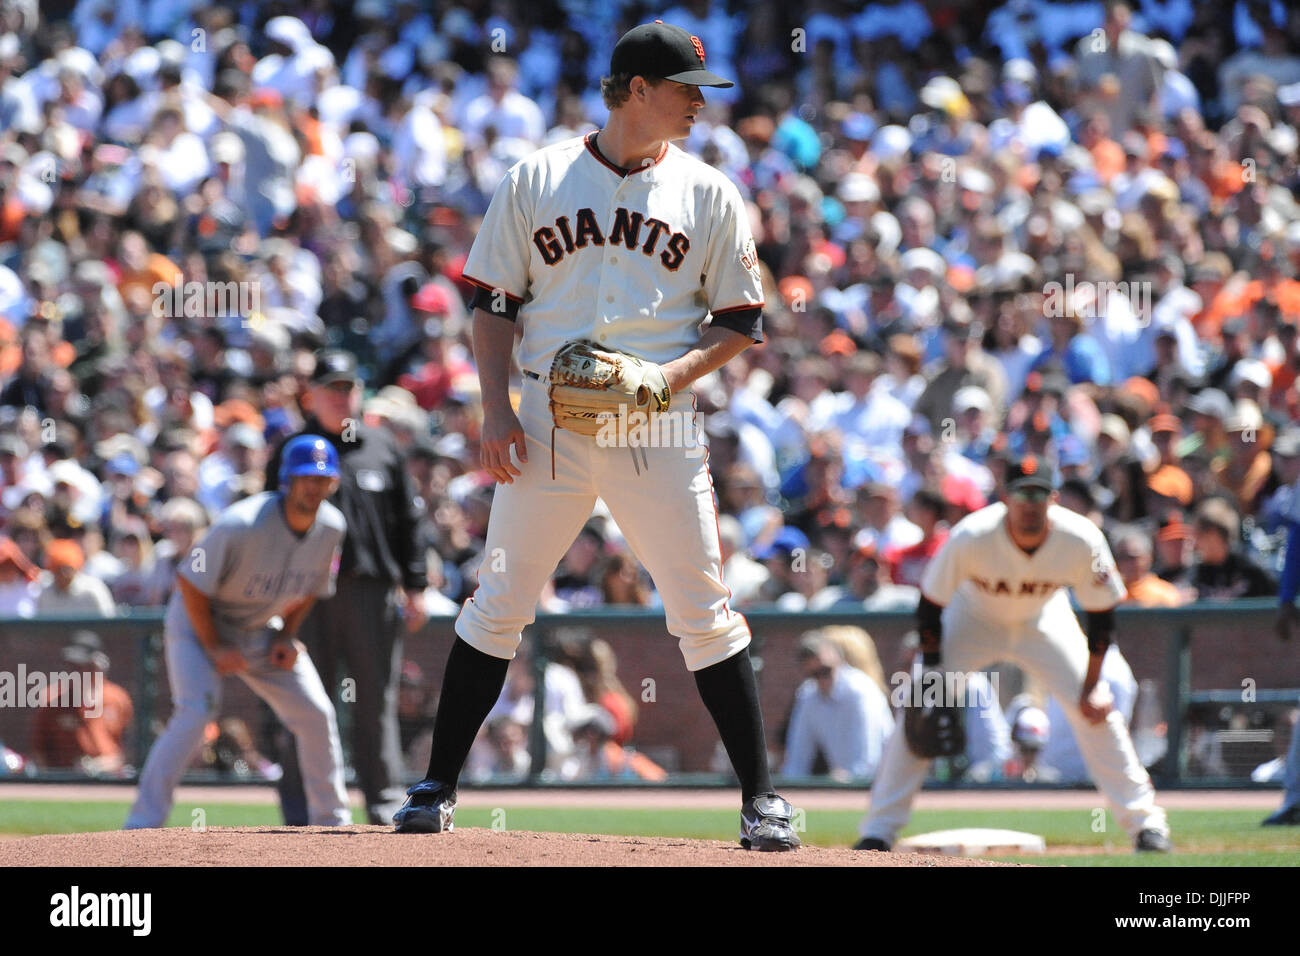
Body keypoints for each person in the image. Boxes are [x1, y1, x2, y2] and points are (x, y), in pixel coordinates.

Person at [393, 21, 800, 851]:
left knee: (703, 610)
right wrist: (496, 412)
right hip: (546, 423)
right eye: (685, 87)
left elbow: (739, 324)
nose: (698, 102)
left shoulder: (710, 191)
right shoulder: (537, 176)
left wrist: (668, 379)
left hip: (655, 425)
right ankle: (435, 788)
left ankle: (762, 799)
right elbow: (494, 305)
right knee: (499, 601)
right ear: (636, 88)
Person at [856, 454, 1172, 853]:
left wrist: (1092, 685)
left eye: (1038, 494)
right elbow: (930, 606)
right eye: (1022, 494)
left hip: (1044, 618)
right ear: (1005, 498)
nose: (1029, 503)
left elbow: (1102, 616)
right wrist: (934, 673)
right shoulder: (973, 534)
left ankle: (1146, 826)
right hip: (973, 616)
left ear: (1053, 499)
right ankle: (878, 831)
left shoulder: (1081, 538)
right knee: (920, 703)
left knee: (1096, 711)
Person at [124, 435, 351, 829]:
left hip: (262, 627)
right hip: (199, 624)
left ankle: (332, 822)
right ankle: (142, 824)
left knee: (316, 713)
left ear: (332, 483)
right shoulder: (242, 524)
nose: (314, 486)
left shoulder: (332, 526)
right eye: (305, 478)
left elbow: (313, 587)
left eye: (322, 479)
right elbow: (189, 583)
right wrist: (213, 646)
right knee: (195, 713)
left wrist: (287, 635)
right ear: (287, 480)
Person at [265, 350, 427, 827]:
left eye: (348, 387)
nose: (341, 396)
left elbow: (409, 521)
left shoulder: (382, 446)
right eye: (331, 388)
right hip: (304, 595)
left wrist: (415, 586)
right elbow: (267, 524)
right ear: (310, 395)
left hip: (370, 592)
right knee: (301, 700)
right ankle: (299, 808)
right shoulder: (292, 450)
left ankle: (383, 800)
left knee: (375, 698)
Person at [781, 631, 894, 780]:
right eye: (813, 674)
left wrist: (849, 779)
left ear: (841, 660)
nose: (821, 680)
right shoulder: (808, 695)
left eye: (825, 671)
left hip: (885, 783)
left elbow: (869, 760)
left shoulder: (860, 691)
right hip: (847, 786)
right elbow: (797, 759)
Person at [31, 630, 133, 775]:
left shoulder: (117, 698)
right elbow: (39, 752)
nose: (76, 672)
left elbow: (129, 751)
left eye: (83, 666)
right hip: (63, 781)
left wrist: (99, 766)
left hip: (109, 780)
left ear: (98, 664)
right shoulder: (52, 698)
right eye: (72, 666)